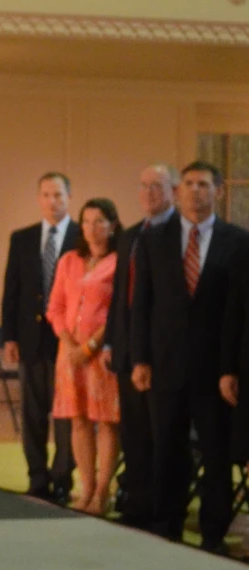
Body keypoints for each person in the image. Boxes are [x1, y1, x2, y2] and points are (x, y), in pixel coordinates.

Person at [131, 159, 249, 551]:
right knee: (167, 449)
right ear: (177, 191)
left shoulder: (238, 242)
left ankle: (213, 533)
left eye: (203, 184)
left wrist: (231, 368)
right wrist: (140, 359)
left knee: (216, 456)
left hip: (215, 370)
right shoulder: (153, 240)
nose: (195, 190)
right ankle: (167, 525)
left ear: (218, 191)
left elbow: (239, 310)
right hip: (165, 366)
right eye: (188, 183)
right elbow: (141, 305)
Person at [101, 164, 178, 528]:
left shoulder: (181, 236)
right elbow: (120, 297)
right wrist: (111, 342)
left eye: (158, 187)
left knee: (163, 435)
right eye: (144, 186)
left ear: (173, 191)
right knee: (134, 434)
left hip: (163, 354)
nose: (149, 193)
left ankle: (164, 511)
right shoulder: (130, 236)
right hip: (127, 348)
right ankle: (137, 505)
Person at [0, 172, 81, 501]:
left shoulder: (81, 237)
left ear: (69, 197)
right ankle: (37, 477)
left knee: (65, 415)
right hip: (31, 341)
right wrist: (10, 337)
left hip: (68, 342)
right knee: (32, 415)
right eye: (46, 194)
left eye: (59, 194)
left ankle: (62, 479)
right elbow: (11, 291)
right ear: (38, 198)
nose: (53, 201)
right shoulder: (22, 238)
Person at [47, 198, 122, 513]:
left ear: (113, 226)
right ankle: (87, 486)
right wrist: (69, 343)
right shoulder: (69, 260)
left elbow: (118, 311)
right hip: (69, 353)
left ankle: (103, 491)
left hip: (100, 354)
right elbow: (56, 308)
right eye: (87, 221)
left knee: (105, 422)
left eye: (100, 221)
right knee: (77, 421)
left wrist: (89, 347)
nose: (93, 229)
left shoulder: (120, 261)